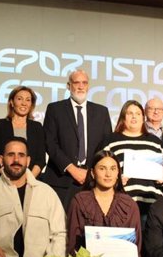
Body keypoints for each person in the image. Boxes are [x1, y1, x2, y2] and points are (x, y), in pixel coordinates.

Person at [43, 69, 112, 210]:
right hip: (61, 180)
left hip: (92, 181)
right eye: (76, 82)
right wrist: (72, 168)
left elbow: (106, 146)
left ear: (88, 86)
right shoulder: (55, 109)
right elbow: (50, 143)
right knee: (61, 226)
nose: (81, 86)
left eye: (84, 83)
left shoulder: (101, 112)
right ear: (69, 86)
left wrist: (92, 171)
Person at [101, 100, 163, 224]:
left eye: (138, 113)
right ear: (123, 117)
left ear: (143, 117)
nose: (134, 116)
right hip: (122, 203)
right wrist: (116, 180)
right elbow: (101, 169)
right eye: (130, 113)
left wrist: (162, 178)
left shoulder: (155, 142)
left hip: (152, 204)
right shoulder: (111, 140)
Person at [0, 85, 45, 178]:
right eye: (20, 99)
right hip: (3, 179)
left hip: (30, 181)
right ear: (11, 102)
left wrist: (28, 179)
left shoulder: (37, 127)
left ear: (31, 104)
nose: (24, 103)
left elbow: (40, 160)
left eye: (28, 100)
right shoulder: (0, 124)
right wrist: (10, 178)